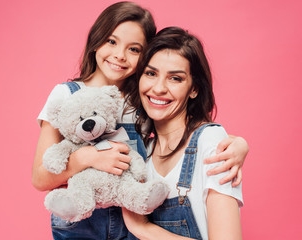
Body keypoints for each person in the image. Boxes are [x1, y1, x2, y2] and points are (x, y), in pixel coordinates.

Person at [32, 2, 247, 239]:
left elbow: (187, 136)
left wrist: (238, 144)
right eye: (111, 41)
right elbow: (40, 178)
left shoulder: (140, 100)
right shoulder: (66, 95)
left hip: (130, 218)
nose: (119, 55)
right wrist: (86, 158)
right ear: (96, 40)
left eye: (134, 49)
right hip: (82, 218)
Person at [122, 26, 244, 240]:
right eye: (150, 73)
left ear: (194, 89)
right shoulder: (143, 153)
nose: (158, 88)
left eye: (175, 78)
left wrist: (143, 229)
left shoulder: (211, 142)